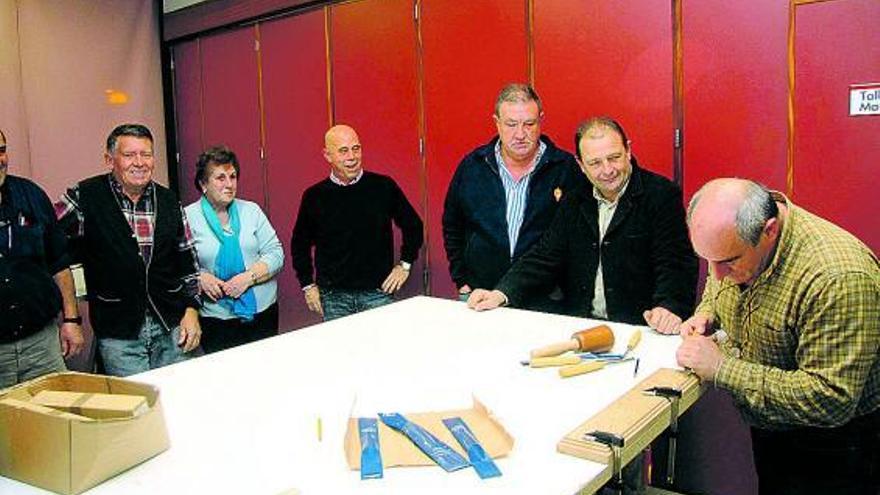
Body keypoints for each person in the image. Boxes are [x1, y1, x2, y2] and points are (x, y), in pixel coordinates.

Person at [676, 178, 880, 495]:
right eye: (707, 261)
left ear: (769, 231)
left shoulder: (838, 278)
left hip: (833, 448)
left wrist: (721, 368)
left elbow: (831, 399)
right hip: (773, 427)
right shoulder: (737, 239)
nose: (714, 275)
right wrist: (707, 313)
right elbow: (719, 284)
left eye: (728, 261)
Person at [468, 117, 698, 333]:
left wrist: (669, 306)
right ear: (580, 164)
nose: (608, 170)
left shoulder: (661, 195)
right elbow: (545, 256)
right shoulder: (574, 199)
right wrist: (501, 292)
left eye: (614, 157)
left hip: (640, 328)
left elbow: (675, 263)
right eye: (595, 163)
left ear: (628, 150)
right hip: (580, 324)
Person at [56, 124, 202, 376]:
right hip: (118, 334)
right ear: (109, 159)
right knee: (135, 407)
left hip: (172, 325)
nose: (139, 162)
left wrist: (192, 310)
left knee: (178, 398)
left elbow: (187, 262)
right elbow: (50, 246)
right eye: (129, 155)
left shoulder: (168, 200)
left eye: (146, 154)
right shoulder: (85, 197)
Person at [442, 83, 585, 310]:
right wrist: (462, 280)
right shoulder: (472, 166)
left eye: (529, 124)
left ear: (541, 120)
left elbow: (580, 237)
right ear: (496, 123)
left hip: (546, 299)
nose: (520, 134)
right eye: (511, 124)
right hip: (481, 293)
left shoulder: (566, 169)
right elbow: (453, 224)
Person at [290, 124, 423, 321]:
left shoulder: (383, 187)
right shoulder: (314, 196)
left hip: (377, 294)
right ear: (328, 155)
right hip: (334, 299)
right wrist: (308, 285)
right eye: (343, 151)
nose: (352, 157)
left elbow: (414, 226)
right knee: (342, 352)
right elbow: (299, 244)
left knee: (382, 351)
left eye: (356, 148)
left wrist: (404, 265)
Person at [0, 128, 84, 388]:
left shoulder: (30, 195)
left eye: (1, 150)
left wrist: (71, 319)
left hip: (41, 344)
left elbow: (59, 261)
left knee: (54, 419)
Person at [184, 146, 283, 353]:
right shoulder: (187, 217)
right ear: (203, 184)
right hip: (216, 318)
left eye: (233, 176)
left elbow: (275, 253)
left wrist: (248, 278)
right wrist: (199, 277)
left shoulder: (251, 210)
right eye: (220, 178)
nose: (229, 184)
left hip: (262, 313)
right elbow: (177, 265)